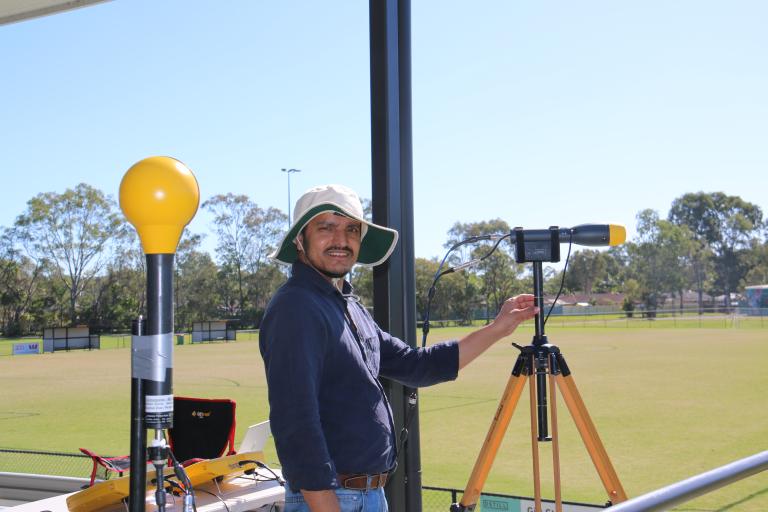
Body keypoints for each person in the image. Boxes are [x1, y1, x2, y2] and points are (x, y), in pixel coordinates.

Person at [259, 184, 537, 512]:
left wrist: (498, 328)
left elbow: (416, 365)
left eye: (351, 229)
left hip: (368, 495)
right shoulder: (297, 306)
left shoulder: (346, 306)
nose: (341, 239)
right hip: (333, 499)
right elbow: (295, 420)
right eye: (326, 227)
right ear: (299, 239)